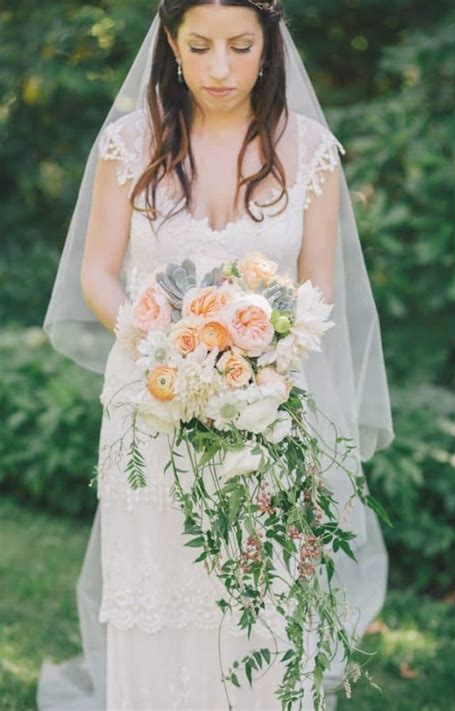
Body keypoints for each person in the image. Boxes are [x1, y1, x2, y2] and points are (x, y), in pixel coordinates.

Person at [38, 1, 395, 709]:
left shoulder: (310, 151)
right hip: (152, 404)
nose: (220, 69)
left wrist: (257, 367)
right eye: (199, 47)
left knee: (256, 596)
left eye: (239, 46)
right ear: (170, 43)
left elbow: (316, 290)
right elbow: (98, 274)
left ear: (270, 46)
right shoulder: (127, 144)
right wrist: (164, 347)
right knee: (157, 590)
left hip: (267, 413)